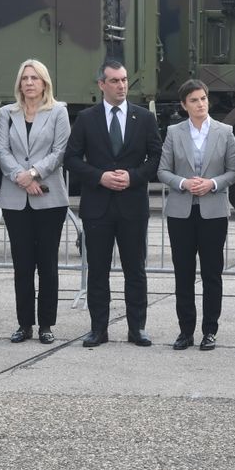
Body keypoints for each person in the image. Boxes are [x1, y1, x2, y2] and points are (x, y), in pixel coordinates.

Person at [65, 61, 161, 348]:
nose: (121, 86)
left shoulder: (143, 118)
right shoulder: (86, 118)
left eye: (124, 80)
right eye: (115, 81)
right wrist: (100, 177)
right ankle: (98, 329)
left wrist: (133, 177)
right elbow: (71, 159)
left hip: (132, 206)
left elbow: (155, 158)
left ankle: (137, 329)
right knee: (98, 271)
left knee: (135, 270)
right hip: (98, 206)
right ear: (101, 85)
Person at [158, 79, 235, 351]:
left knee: (211, 273)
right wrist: (183, 183)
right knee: (183, 273)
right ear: (184, 105)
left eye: (203, 98)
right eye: (193, 100)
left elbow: (234, 171)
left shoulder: (224, 131)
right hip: (181, 211)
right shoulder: (174, 132)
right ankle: (185, 331)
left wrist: (212, 184)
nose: (200, 104)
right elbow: (163, 170)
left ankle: (210, 330)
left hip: (213, 211)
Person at [0, 60, 70, 346]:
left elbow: (59, 151)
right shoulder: (7, 113)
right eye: (25, 78)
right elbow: (2, 150)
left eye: (34, 78)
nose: (29, 83)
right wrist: (21, 178)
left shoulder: (58, 111)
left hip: (50, 198)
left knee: (47, 264)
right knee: (22, 264)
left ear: (44, 83)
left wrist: (34, 173)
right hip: (16, 199)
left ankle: (46, 325)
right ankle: (24, 324)